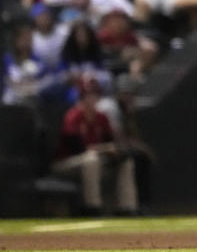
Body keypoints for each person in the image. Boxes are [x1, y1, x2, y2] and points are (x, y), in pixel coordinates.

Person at [51, 78, 138, 215]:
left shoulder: (101, 117)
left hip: (93, 161)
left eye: (94, 95)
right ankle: (93, 207)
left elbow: (110, 142)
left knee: (125, 161)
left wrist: (112, 151)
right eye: (87, 95)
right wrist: (104, 149)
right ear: (81, 98)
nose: (91, 99)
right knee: (91, 159)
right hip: (66, 163)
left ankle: (127, 208)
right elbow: (77, 149)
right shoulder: (73, 116)